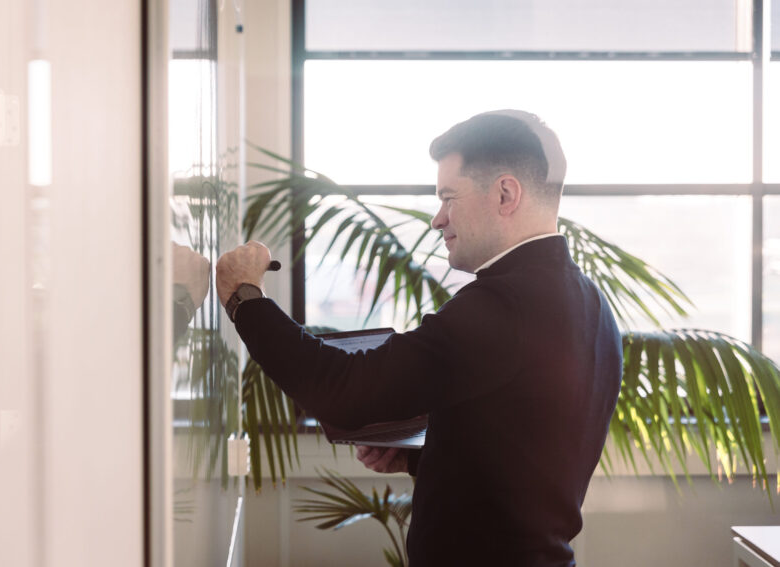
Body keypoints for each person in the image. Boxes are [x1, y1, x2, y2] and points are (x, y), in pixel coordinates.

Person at [215, 110, 623, 566]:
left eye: (449, 198)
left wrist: (243, 298)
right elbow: (523, 459)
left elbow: (340, 389)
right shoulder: (591, 304)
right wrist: (414, 459)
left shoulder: (501, 305)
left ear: (506, 193)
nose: (438, 219)